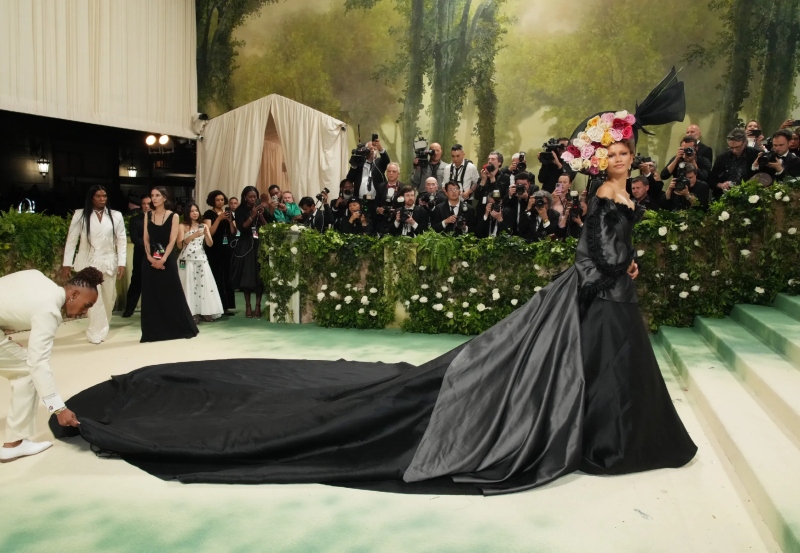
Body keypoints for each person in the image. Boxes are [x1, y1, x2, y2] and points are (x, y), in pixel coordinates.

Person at [55, 112, 696, 495]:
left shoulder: (621, 195)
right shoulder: (607, 195)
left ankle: (607, 435)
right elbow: (597, 250)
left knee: (598, 368)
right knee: (593, 367)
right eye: (614, 153)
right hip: (601, 291)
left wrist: (624, 262)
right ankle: (609, 440)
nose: (621, 159)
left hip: (606, 292)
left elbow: (609, 248)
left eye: (625, 153)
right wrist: (618, 265)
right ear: (603, 162)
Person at [0, 268, 99, 461]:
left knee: (20, 361)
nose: (85, 312)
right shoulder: (49, 311)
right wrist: (58, 408)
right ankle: (14, 444)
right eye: (87, 305)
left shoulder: (37, 276)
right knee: (27, 371)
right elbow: (38, 362)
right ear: (74, 294)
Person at [62, 185, 127, 344]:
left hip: (109, 261)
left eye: (104, 196)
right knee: (94, 298)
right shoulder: (80, 215)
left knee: (109, 298)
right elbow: (71, 240)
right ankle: (95, 332)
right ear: (91, 198)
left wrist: (122, 262)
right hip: (88, 261)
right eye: (98, 196)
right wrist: (67, 263)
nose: (102, 199)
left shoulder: (116, 215)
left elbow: (121, 240)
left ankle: (102, 325)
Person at [140, 186, 198, 342]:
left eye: (157, 195)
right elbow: (146, 239)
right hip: (150, 259)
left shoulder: (173, 216)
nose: (154, 198)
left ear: (165, 198)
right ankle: (153, 331)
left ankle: (177, 328)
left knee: (172, 292)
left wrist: (163, 259)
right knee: (151, 295)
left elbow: (172, 240)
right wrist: (150, 258)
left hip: (167, 259)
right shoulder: (147, 215)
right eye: (152, 195)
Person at [178, 202, 224, 323]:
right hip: (187, 259)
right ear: (187, 213)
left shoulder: (203, 225)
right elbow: (179, 245)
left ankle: (205, 311)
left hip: (201, 257)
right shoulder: (182, 226)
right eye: (192, 211)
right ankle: (191, 313)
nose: (195, 213)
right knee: (189, 285)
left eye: (196, 210)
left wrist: (207, 234)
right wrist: (192, 236)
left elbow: (210, 244)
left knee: (203, 284)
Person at [231, 186, 270, 319]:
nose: (253, 199)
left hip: (259, 243)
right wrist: (252, 215)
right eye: (250, 197)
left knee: (259, 275)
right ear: (245, 197)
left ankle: (258, 306)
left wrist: (260, 215)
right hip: (245, 244)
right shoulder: (240, 210)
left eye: (255, 197)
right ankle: (248, 306)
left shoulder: (261, 209)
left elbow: (267, 227)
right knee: (247, 276)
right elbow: (242, 228)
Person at [202, 190, 236, 316]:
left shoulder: (228, 213)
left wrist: (230, 221)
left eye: (222, 199)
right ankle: (216, 306)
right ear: (212, 201)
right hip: (214, 249)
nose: (220, 202)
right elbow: (209, 232)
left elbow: (234, 232)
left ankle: (227, 306)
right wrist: (218, 219)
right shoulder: (209, 214)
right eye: (217, 200)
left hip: (226, 248)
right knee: (216, 276)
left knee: (227, 276)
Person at [122, 194, 151, 317]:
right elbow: (134, 238)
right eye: (143, 204)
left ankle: (154, 310)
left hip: (157, 255)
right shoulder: (135, 220)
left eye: (148, 203)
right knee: (136, 282)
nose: (146, 206)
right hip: (140, 255)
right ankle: (129, 309)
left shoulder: (159, 218)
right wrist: (148, 248)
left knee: (155, 283)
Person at [708, 128, 760, 197]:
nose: (734, 150)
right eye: (731, 148)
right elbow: (711, 180)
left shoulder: (754, 155)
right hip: (724, 195)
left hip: (749, 195)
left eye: (738, 147)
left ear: (745, 143)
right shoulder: (722, 157)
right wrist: (720, 185)